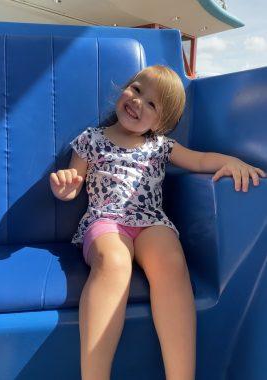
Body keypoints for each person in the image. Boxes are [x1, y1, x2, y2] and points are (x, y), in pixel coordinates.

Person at [49, 65, 266, 380]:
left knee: (172, 262)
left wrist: (230, 162)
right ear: (126, 88)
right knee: (113, 262)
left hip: (151, 222)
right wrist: (66, 188)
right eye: (137, 90)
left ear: (162, 122)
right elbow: (75, 180)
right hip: (106, 220)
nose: (138, 102)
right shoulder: (91, 139)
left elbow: (201, 160)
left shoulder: (161, 146)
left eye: (152, 104)